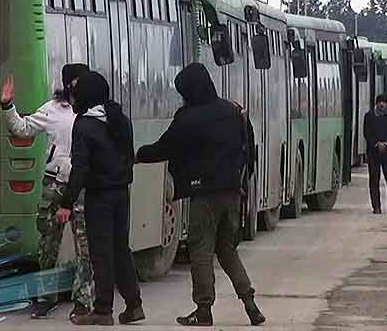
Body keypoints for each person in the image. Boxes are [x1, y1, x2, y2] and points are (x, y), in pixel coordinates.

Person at [135, 62, 265, 327]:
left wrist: (138, 154)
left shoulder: (189, 117)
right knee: (227, 249)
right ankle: (250, 304)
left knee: (201, 251)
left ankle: (203, 309)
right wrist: (241, 181)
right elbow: (249, 148)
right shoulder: (233, 111)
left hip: (204, 195)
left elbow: (165, 147)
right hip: (232, 192)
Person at [0, 63, 93, 319]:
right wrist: (8, 106)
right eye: (78, 81)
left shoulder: (94, 111)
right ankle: (45, 297)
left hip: (83, 185)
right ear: (70, 83)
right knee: (47, 244)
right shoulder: (53, 109)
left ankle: (83, 300)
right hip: (54, 184)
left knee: (85, 246)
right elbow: (22, 128)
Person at [56, 71, 144, 326]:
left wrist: (66, 202)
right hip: (121, 193)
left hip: (100, 197)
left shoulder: (84, 125)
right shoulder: (120, 119)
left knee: (101, 253)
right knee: (120, 249)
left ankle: (103, 310)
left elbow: (80, 168)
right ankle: (134, 304)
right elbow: (129, 156)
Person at [363, 94, 387, 214]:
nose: (382, 104)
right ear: (376, 104)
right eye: (380, 102)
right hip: (373, 153)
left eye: (384, 102)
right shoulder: (369, 116)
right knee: (374, 180)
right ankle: (376, 207)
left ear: (386, 104)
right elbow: (367, 133)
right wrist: (377, 143)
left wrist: (386, 144)